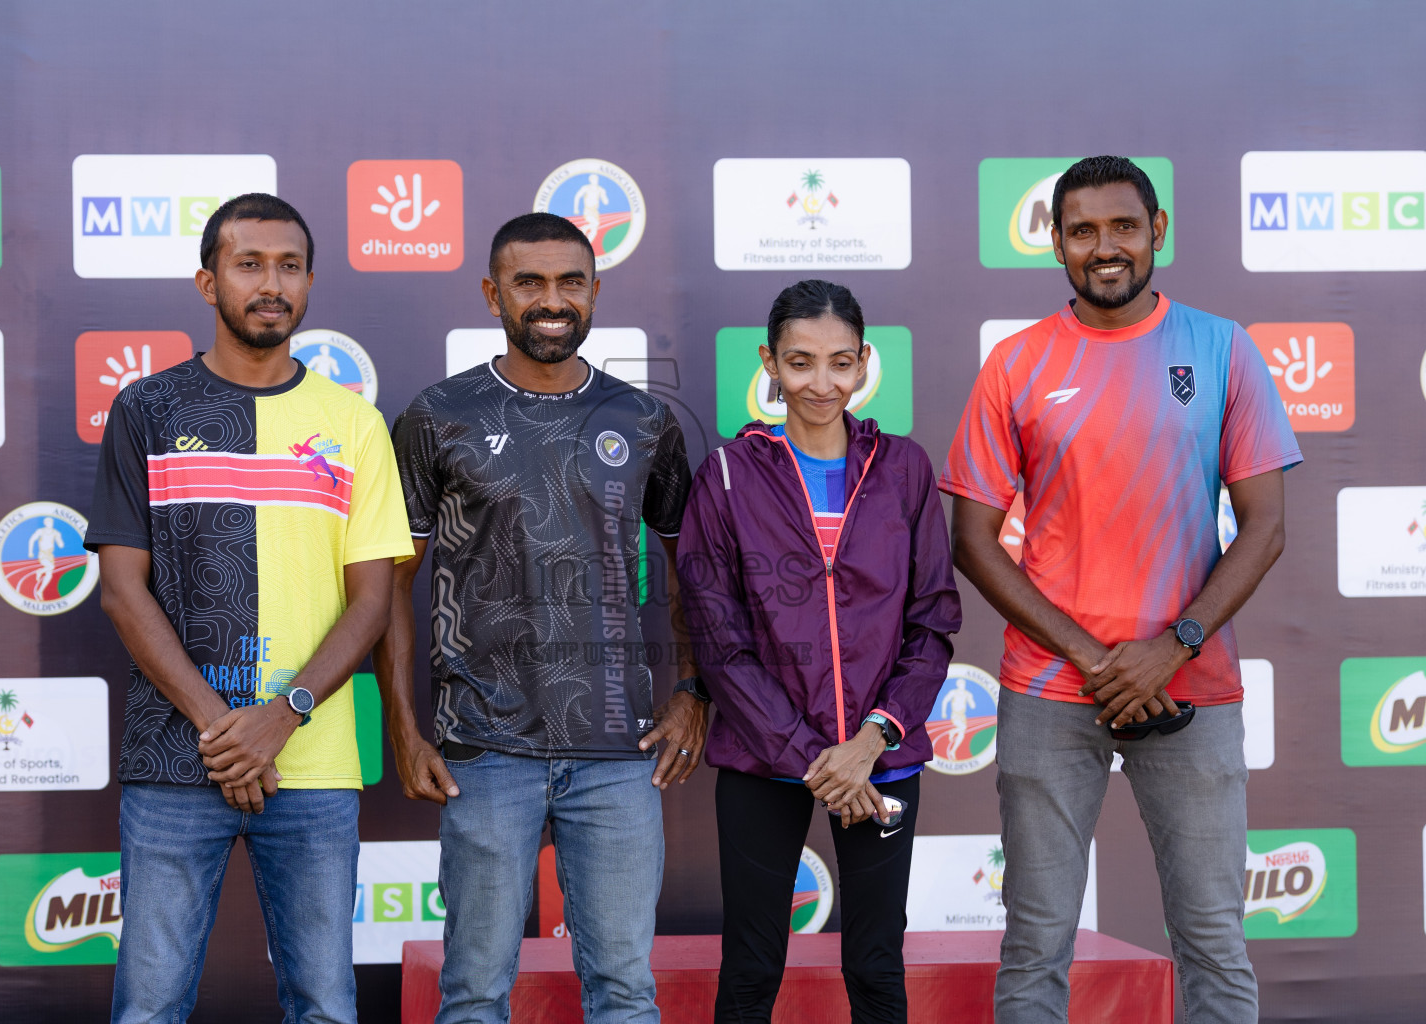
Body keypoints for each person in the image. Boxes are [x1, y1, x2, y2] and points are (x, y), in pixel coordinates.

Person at [939, 156, 1302, 1024]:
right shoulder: (1017, 363)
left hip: (1192, 688)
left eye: (1124, 227)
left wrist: (1171, 647)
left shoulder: (1222, 348)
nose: (1105, 247)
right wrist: (1099, 660)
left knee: (1212, 940)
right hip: (1050, 690)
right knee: (1036, 942)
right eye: (1083, 231)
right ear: (1056, 242)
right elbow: (973, 542)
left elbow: (1265, 527)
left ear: (1158, 230)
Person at [85, 193, 412, 1024]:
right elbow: (122, 589)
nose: (272, 284)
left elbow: (373, 601)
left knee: (324, 1006)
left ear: (309, 283)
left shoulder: (353, 422)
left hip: (313, 764)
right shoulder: (146, 409)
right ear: (209, 282)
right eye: (249, 264)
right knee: (149, 1007)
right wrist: (225, 730)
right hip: (175, 758)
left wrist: (284, 715)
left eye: (290, 266)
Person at [376, 212, 708, 1024]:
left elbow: (689, 564)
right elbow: (389, 581)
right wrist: (405, 730)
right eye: (529, 282)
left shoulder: (644, 420)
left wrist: (692, 689)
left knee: (625, 992)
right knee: (474, 993)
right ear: (493, 295)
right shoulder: (438, 415)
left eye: (570, 282)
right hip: (485, 748)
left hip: (618, 751)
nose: (552, 300)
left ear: (595, 291)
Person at [677, 279, 962, 1024]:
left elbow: (932, 622)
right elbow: (719, 640)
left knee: (876, 965)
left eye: (840, 362)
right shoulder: (728, 475)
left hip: (880, 761)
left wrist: (869, 743)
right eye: (800, 362)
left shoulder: (904, 468)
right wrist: (817, 760)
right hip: (764, 762)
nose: (821, 383)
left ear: (864, 362)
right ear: (769, 362)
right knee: (750, 968)